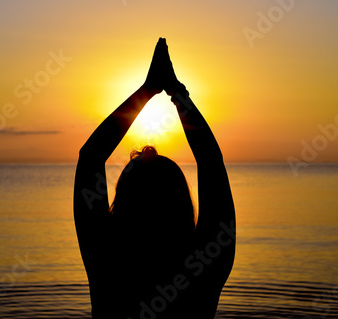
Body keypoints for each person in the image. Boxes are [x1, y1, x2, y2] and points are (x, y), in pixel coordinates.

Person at [74, 38, 235, 319]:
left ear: (121, 203)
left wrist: (147, 90)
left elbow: (90, 157)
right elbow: (211, 163)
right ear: (182, 204)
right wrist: (177, 93)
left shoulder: (107, 260)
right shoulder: (205, 260)